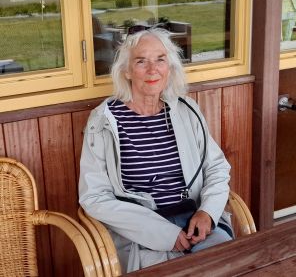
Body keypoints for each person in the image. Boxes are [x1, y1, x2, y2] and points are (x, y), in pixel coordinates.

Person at [79, 28, 233, 273]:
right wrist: (163, 233)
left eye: (160, 60)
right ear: (127, 71)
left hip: (197, 223)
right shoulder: (103, 121)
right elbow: (94, 197)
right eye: (141, 61)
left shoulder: (186, 111)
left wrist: (208, 212)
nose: (153, 70)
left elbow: (216, 167)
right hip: (141, 233)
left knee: (228, 266)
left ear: (169, 67)